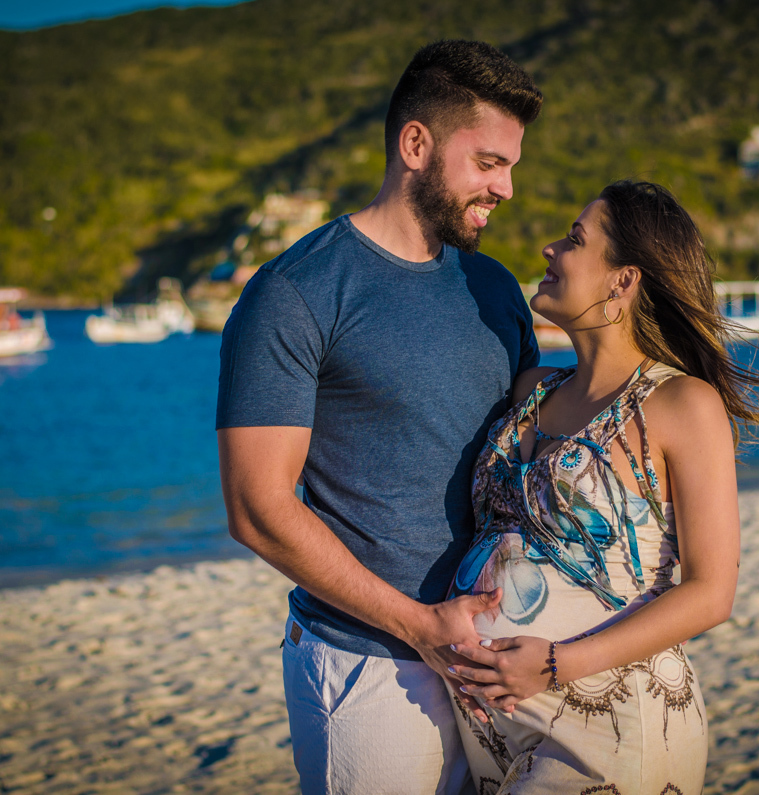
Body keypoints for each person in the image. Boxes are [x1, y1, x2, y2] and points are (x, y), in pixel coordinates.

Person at [216, 41, 543, 794]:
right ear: (415, 145)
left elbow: (537, 443)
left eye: (511, 166)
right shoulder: (295, 292)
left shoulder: (495, 288)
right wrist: (421, 627)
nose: (507, 187)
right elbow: (256, 509)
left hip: (498, 662)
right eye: (489, 162)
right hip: (369, 666)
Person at [444, 180, 759, 793]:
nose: (551, 249)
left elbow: (711, 593)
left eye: (575, 240)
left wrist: (556, 665)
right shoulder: (532, 390)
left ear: (622, 281)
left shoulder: (682, 404)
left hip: (610, 726)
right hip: (493, 732)